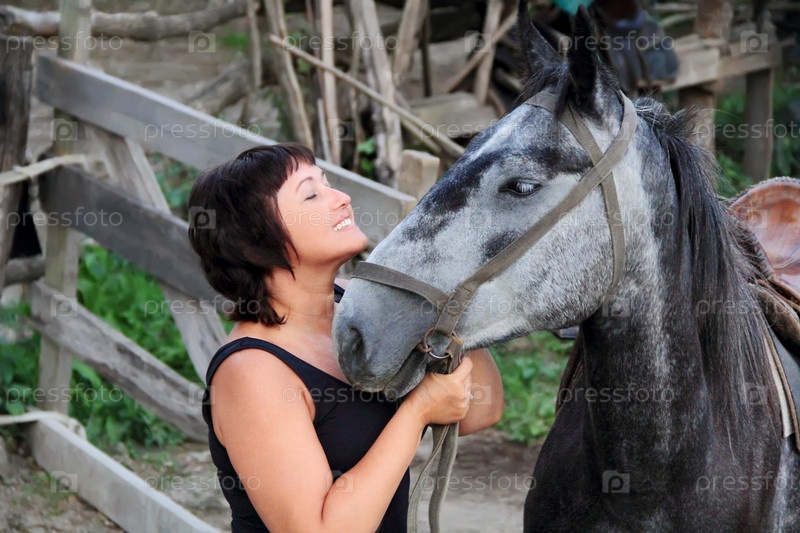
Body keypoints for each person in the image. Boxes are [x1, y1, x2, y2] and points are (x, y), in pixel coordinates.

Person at [187, 143, 504, 532]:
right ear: (256, 241)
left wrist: (450, 296)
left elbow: (480, 413)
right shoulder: (252, 373)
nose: (341, 198)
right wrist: (418, 411)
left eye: (327, 183)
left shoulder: (360, 305)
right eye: (311, 194)